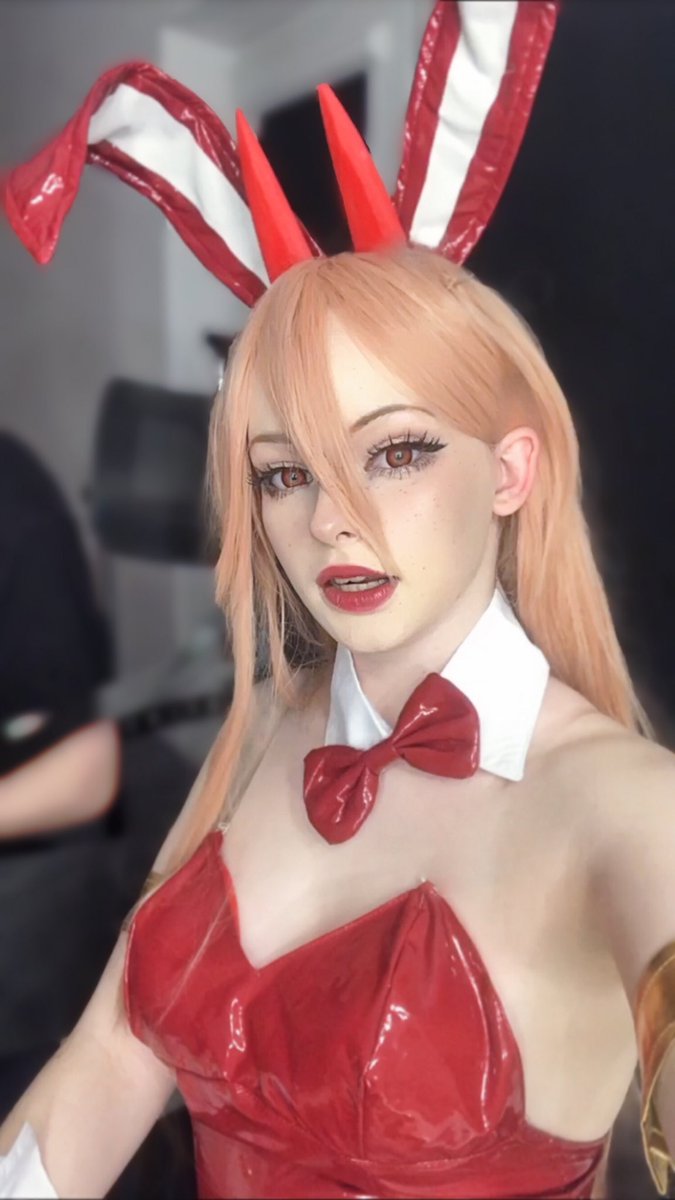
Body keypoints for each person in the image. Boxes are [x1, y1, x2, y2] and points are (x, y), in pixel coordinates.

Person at [1, 7, 674, 1198]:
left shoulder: (621, 802)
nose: (330, 520)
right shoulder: (260, 735)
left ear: (510, 471)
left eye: (398, 451)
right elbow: (109, 1057)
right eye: (284, 473)